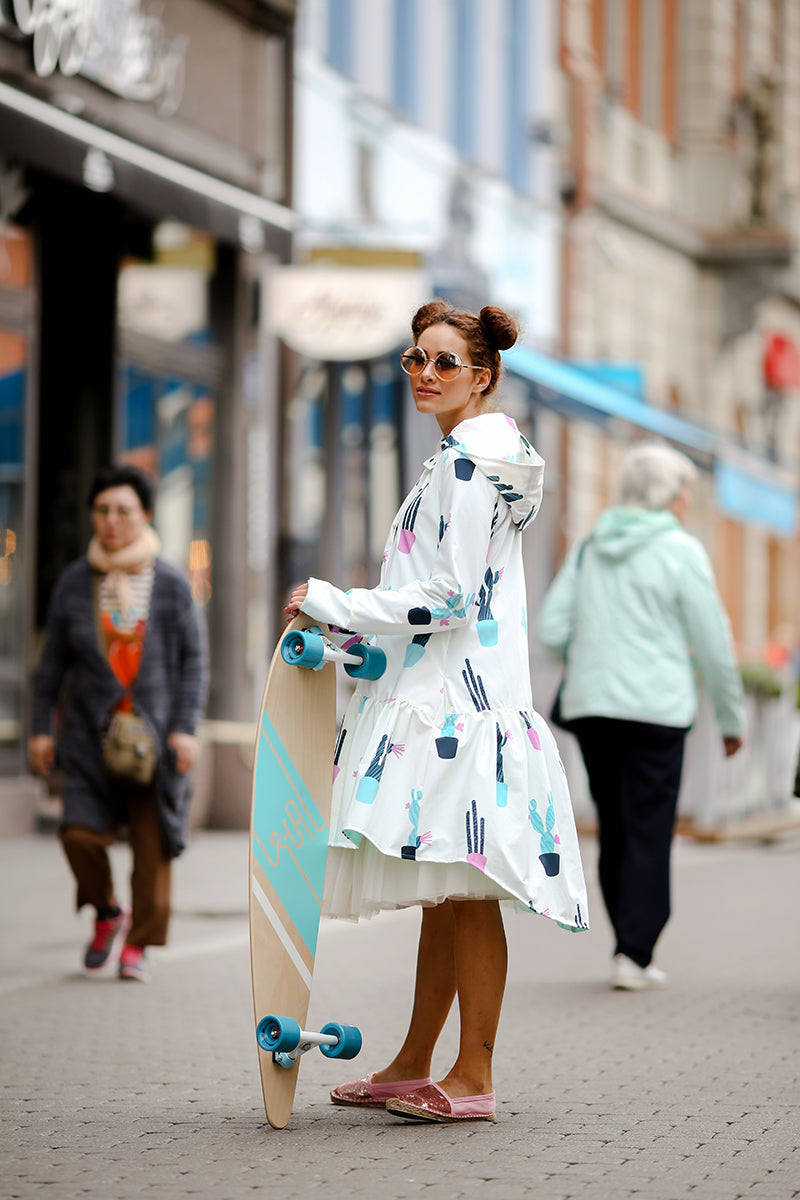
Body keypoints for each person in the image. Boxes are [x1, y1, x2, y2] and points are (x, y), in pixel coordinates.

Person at [285, 300, 588, 1124]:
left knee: (469, 890)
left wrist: (337, 602)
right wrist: (356, 640)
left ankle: (474, 1075)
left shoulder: (464, 466)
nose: (425, 374)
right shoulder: (468, 460)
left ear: (482, 376)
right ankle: (419, 1061)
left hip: (457, 709)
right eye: (416, 359)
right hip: (450, 700)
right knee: (448, 889)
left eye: (445, 363)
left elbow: (449, 597)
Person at [536, 442, 745, 991]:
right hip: (656, 711)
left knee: (617, 826)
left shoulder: (590, 546)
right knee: (650, 827)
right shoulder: (681, 551)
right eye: (684, 493)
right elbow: (714, 641)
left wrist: (600, 646)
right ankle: (634, 951)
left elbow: (553, 629)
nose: (686, 503)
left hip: (594, 707)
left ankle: (627, 944)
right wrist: (731, 719)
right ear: (667, 495)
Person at [28, 464, 208, 983]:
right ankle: (108, 913)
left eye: (123, 511)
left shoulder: (171, 583)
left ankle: (138, 944)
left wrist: (185, 729)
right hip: (88, 737)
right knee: (78, 835)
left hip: (154, 741)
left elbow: (194, 660)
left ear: (145, 515)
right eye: (102, 511)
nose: (112, 521)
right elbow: (53, 666)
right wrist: (41, 728)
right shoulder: (74, 582)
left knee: (153, 849)